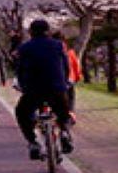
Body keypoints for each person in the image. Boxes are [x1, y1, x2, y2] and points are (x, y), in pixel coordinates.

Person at [11, 19, 76, 161]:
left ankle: (33, 142)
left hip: (33, 90)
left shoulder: (24, 48)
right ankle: (64, 132)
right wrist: (63, 82)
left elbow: (20, 70)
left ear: (31, 32)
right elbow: (65, 67)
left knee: (22, 112)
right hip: (56, 88)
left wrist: (22, 85)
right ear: (48, 31)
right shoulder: (58, 45)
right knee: (63, 112)